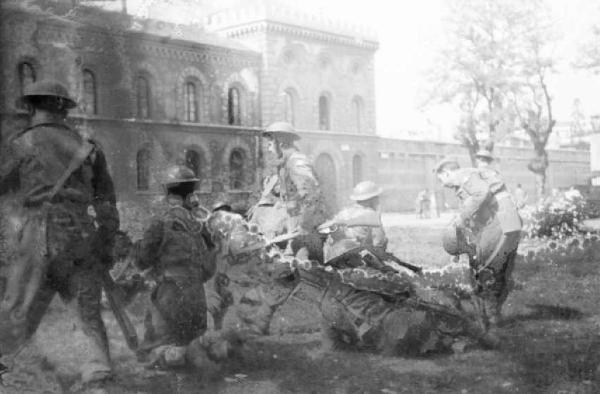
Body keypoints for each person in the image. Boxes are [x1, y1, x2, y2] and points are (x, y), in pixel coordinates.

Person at [0, 80, 119, 390]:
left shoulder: (20, 144)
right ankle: (97, 374)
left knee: (18, 308)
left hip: (36, 238)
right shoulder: (89, 148)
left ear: (32, 107)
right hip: (80, 237)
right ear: (65, 108)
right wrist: (105, 247)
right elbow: (106, 204)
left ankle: (4, 364)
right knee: (86, 312)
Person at [134, 165, 216, 366]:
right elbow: (209, 265)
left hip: (170, 295)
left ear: (167, 191)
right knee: (192, 340)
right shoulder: (201, 225)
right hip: (196, 296)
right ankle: (192, 352)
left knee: (150, 351)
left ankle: (175, 355)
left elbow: (142, 260)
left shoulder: (160, 223)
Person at [434, 158, 522, 334]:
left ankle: (491, 323)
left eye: (441, 179)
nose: (442, 185)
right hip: (510, 223)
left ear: (447, 173)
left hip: (499, 224)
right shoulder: (474, 175)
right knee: (500, 272)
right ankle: (492, 317)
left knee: (485, 272)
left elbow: (481, 193)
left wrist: (461, 218)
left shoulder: (464, 177)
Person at [261, 121, 328, 260]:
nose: (269, 149)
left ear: (280, 143)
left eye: (270, 144)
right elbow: (291, 197)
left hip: (306, 236)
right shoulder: (286, 165)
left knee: (306, 275)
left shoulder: (296, 161)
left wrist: (304, 225)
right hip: (296, 234)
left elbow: (312, 194)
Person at [322, 181, 387, 262]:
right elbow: (379, 242)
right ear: (372, 199)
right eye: (376, 197)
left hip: (334, 257)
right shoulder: (371, 215)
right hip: (358, 260)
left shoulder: (343, 213)